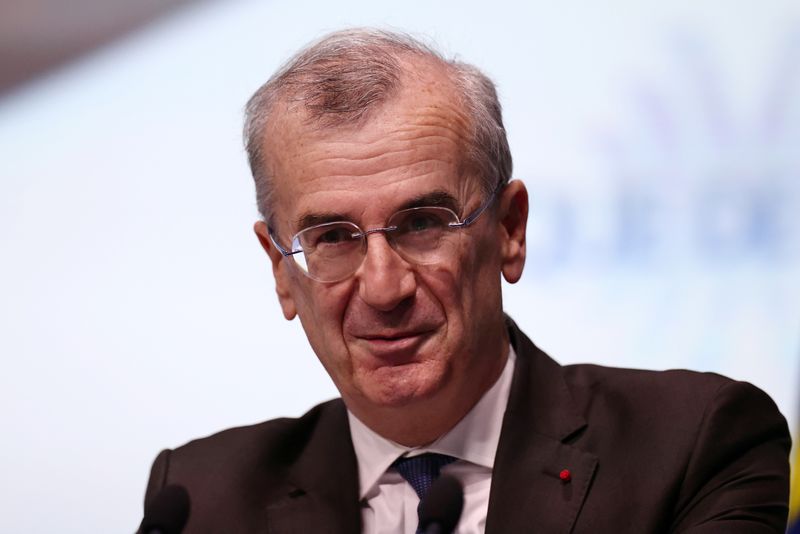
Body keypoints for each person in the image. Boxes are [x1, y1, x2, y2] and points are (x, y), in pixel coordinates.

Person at [140, 29, 791, 533]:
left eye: (423, 223)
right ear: (282, 269)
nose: (384, 288)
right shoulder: (200, 500)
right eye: (332, 238)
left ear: (509, 229)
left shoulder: (693, 447)